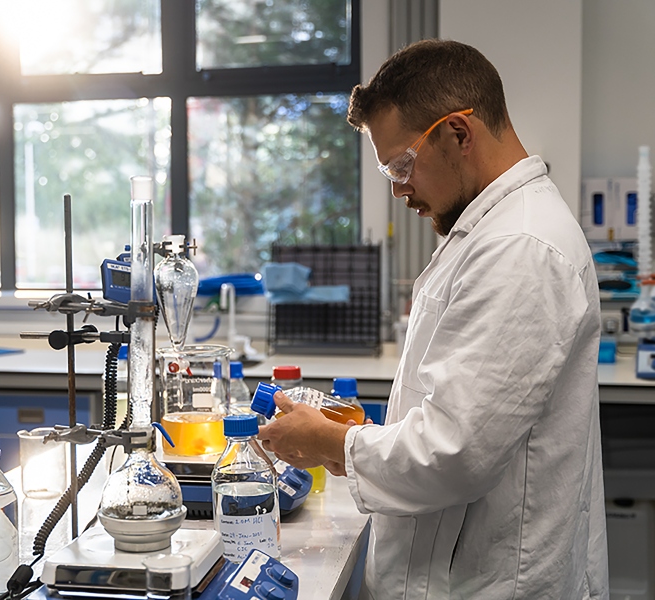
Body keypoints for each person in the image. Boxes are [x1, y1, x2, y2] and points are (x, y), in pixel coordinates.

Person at [257, 39, 609, 599]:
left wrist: (333, 444)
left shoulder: (520, 246)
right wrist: (352, 439)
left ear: (459, 133)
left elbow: (455, 452)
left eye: (402, 164)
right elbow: (455, 413)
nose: (398, 188)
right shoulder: (489, 230)